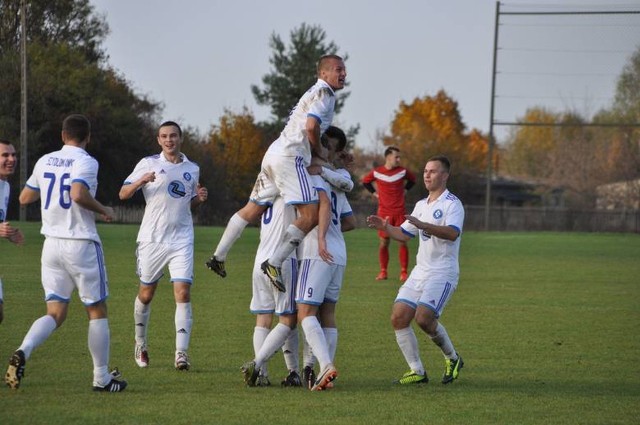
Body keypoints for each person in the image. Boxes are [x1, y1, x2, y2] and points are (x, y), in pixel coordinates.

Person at [5, 114, 126, 392]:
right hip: (80, 243)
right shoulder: (86, 161)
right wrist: (104, 210)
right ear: (88, 137)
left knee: (55, 311)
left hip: (51, 246)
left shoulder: (45, 160)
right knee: (96, 309)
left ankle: (24, 349)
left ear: (62, 135)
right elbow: (77, 194)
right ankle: (102, 378)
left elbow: (25, 198)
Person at [206, 55, 347, 292]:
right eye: (338, 70)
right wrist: (319, 150)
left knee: (252, 208)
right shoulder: (325, 94)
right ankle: (274, 263)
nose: (343, 74)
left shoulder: (312, 92)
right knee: (310, 214)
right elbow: (311, 126)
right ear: (323, 73)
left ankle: (218, 256)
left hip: (273, 153)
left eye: (344, 70)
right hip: (291, 157)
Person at [366, 155, 464, 385]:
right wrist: (386, 227)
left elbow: (452, 233)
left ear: (445, 176)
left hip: (443, 272)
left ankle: (453, 358)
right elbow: (403, 235)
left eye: (433, 171)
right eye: (425, 171)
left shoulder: (452, 204)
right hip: (420, 271)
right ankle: (417, 370)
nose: (427, 175)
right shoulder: (421, 205)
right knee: (399, 317)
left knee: (424, 319)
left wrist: (425, 226)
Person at [119, 121, 208, 371]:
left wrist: (199, 200)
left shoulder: (193, 168)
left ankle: (181, 353)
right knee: (146, 294)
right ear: (158, 140)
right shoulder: (148, 164)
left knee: (183, 293)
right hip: (152, 239)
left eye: (173, 136)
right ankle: (140, 343)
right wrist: (141, 181)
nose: (169, 140)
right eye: (164, 136)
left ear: (181, 138)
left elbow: (187, 203)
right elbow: (123, 194)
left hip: (182, 239)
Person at [295, 130, 356, 391]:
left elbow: (322, 207)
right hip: (338, 253)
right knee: (327, 313)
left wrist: (321, 236)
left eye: (326, 146)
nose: (321, 149)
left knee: (305, 312)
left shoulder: (311, 174)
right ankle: (322, 372)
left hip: (315, 251)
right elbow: (351, 222)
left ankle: (325, 365)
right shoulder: (338, 178)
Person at [240, 196, 301, 387]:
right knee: (288, 319)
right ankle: (261, 365)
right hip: (281, 260)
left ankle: (261, 376)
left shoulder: (265, 195)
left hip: (259, 260)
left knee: (263, 319)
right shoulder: (291, 191)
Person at [362, 146, 416, 282]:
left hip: (399, 211)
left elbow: (413, 180)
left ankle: (404, 272)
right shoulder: (377, 172)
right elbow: (365, 181)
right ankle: (383, 272)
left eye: (399, 157)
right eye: (396, 157)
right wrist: (374, 193)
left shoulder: (403, 171)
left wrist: (405, 190)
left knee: (402, 241)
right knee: (384, 242)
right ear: (388, 157)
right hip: (384, 213)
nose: (399, 159)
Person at [0, 139, 25, 324]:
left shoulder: (6, 187)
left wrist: (9, 233)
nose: (11, 159)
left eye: (13, 154)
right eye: (5, 155)